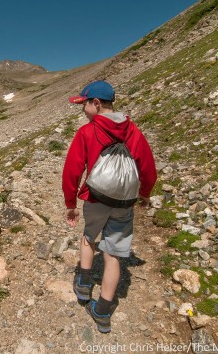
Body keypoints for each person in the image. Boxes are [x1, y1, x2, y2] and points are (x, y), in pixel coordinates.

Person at [62, 80, 157, 333]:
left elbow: (72, 171)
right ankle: (103, 311)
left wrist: (70, 204)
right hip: (123, 202)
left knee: (89, 237)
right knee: (113, 253)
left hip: (95, 199)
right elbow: (147, 169)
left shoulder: (87, 132)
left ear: (96, 103)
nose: (83, 110)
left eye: (84, 105)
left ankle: (83, 287)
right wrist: (145, 195)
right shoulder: (133, 131)